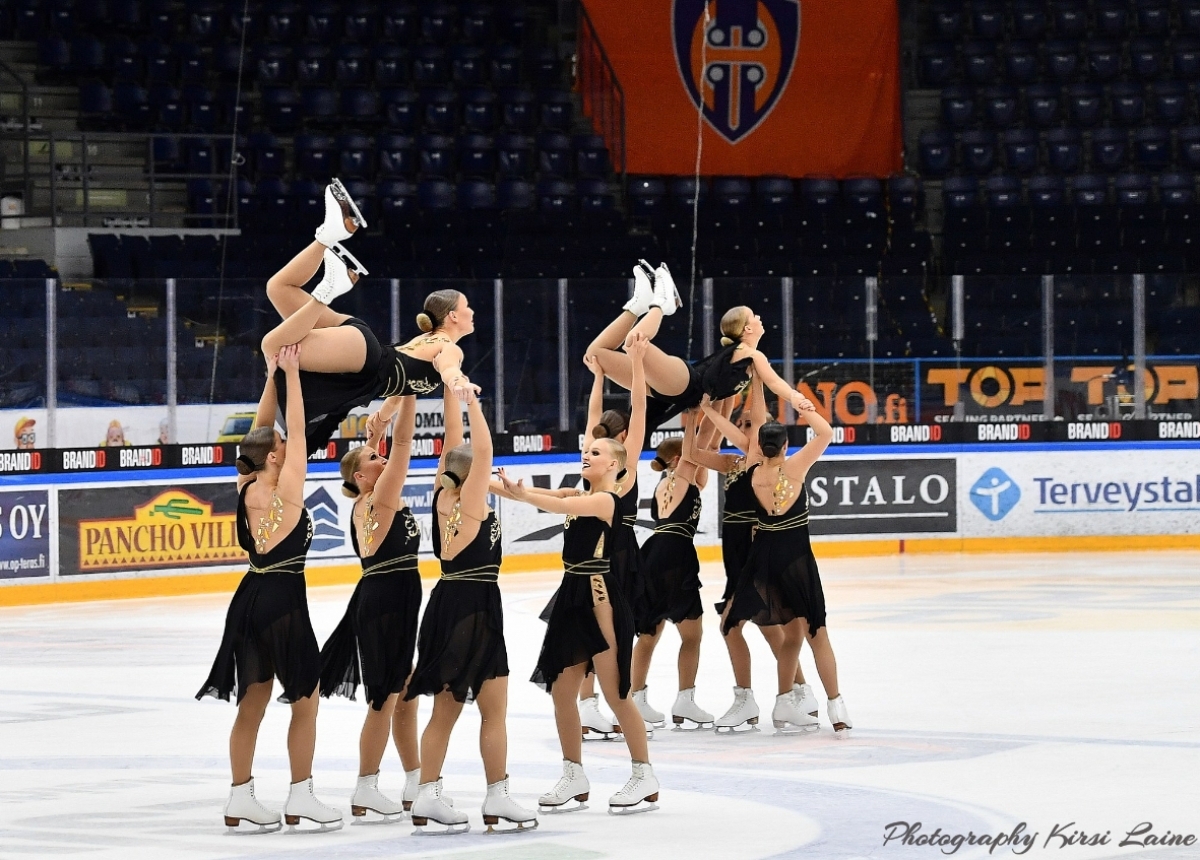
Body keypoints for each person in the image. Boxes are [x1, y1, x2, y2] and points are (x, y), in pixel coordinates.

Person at [196, 344, 342, 833]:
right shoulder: (288, 488)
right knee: (306, 700)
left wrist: (270, 377)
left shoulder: (246, 487)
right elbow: (295, 431)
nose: (286, 443)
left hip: (249, 598)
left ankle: (240, 798)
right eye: (281, 445)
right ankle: (301, 795)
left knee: (252, 704)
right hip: (283, 600)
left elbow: (260, 436)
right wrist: (292, 375)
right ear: (277, 455)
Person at [497, 435, 660, 816]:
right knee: (562, 691)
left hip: (599, 597)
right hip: (572, 594)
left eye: (596, 453)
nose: (587, 455)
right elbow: (542, 496)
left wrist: (523, 494)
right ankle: (574, 775)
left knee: (616, 693)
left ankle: (644, 774)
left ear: (614, 465)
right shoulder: (578, 493)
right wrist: (477, 481)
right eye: (586, 451)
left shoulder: (607, 501)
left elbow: (556, 505)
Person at [402, 384, 536, 835]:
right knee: (477, 710)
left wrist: (450, 391)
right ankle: (479, 795)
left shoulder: (444, 495)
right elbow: (479, 448)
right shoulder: (472, 501)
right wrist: (474, 403)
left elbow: (453, 445)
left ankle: (454, 793)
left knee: (460, 708)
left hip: (454, 602)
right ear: (473, 473)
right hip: (472, 607)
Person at [258, 179, 478, 453]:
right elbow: (449, 368)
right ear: (453, 316)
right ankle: (328, 290)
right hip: (365, 358)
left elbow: (400, 390)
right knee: (272, 347)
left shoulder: (428, 342)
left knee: (278, 288)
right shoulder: (448, 347)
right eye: (467, 306)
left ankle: (328, 235)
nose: (472, 312)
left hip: (361, 347)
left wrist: (382, 420)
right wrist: (458, 382)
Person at [526, 338, 651, 741]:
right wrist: (606, 374)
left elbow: (632, 412)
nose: (588, 453)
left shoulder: (617, 469)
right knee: (592, 629)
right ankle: (593, 701)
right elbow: (615, 414)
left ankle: (608, 697)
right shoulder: (599, 473)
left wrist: (624, 369)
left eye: (595, 449)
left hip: (615, 551)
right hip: (602, 554)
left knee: (609, 630)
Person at [686, 387, 820, 732]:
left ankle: (767, 696)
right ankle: (796, 692)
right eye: (741, 423)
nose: (745, 428)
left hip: (754, 548)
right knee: (767, 626)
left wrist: (756, 380)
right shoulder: (733, 464)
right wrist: (697, 416)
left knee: (747, 625)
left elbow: (758, 420)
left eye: (750, 425)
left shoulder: (763, 466)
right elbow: (693, 454)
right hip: (733, 550)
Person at [319, 397, 426, 822]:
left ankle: (414, 778)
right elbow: (403, 445)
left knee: (405, 693)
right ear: (361, 477)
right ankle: (365, 786)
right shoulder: (379, 498)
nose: (381, 458)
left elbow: (383, 453)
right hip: (386, 603)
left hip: (393, 599)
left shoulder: (372, 496)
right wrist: (410, 392)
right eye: (372, 459)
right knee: (384, 698)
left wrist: (375, 433)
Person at [721, 403, 853, 736]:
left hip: (764, 561)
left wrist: (710, 410)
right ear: (785, 446)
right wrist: (800, 404)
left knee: (790, 635)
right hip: (795, 561)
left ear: (758, 445)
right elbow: (825, 432)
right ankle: (836, 706)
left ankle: (783, 701)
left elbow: (748, 434)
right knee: (816, 635)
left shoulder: (753, 472)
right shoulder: (794, 467)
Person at [584, 260, 811, 430]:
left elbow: (735, 398)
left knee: (596, 355)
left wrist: (709, 443)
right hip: (683, 383)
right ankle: (660, 303)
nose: (759, 318)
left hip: (673, 393)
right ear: (747, 329)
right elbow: (774, 382)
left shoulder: (742, 359)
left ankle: (643, 305)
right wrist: (794, 397)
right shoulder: (747, 353)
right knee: (626, 345)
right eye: (754, 316)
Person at [629, 419, 714, 730]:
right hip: (676, 555)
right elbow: (700, 444)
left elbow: (705, 451)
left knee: (649, 634)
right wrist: (698, 414)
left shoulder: (667, 483)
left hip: (653, 554)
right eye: (692, 458)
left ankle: (636, 699)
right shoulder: (681, 478)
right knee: (692, 635)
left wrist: (711, 416)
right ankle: (684, 699)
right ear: (680, 459)